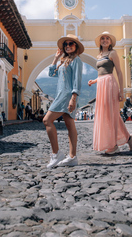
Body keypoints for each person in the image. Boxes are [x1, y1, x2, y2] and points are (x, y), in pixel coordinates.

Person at [88, 31, 132, 154]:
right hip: (101, 85)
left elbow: (119, 72)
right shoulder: (99, 56)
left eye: (107, 38)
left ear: (110, 42)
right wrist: (94, 80)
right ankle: (129, 138)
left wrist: (122, 91)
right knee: (107, 114)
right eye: (102, 38)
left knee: (110, 114)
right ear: (100, 41)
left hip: (109, 84)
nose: (105, 40)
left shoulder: (112, 53)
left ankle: (113, 145)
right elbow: (101, 73)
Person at [43, 34, 84, 168]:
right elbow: (51, 74)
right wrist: (55, 58)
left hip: (67, 95)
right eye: (65, 44)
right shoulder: (63, 61)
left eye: (71, 44)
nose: (68, 46)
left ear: (76, 46)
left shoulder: (76, 60)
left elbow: (77, 80)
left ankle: (56, 154)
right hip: (61, 94)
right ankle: (72, 157)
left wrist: (73, 97)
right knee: (69, 124)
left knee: (47, 120)